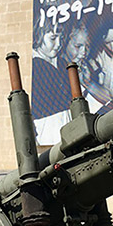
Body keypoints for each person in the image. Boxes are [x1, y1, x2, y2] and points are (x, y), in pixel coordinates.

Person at [31, 16, 71, 145]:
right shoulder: (34, 65)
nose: (59, 44)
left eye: (61, 38)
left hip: (68, 128)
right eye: (53, 38)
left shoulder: (62, 62)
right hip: (47, 133)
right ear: (39, 35)